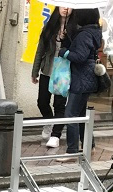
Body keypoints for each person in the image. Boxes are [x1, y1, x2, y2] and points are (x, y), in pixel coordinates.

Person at [58, 8, 102, 158]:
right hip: (86, 78)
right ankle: (90, 145)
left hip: (81, 79)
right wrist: (66, 39)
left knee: (70, 115)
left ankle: (72, 151)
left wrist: (64, 52)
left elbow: (80, 56)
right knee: (81, 114)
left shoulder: (84, 34)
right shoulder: (92, 31)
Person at [31, 5, 71, 149]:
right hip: (47, 70)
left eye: (69, 5)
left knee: (59, 105)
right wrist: (35, 71)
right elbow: (40, 50)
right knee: (42, 102)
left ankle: (55, 135)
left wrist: (68, 38)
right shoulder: (49, 27)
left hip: (63, 73)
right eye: (63, 5)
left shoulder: (75, 28)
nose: (66, 8)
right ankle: (49, 122)